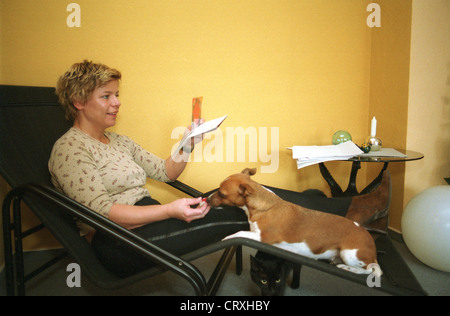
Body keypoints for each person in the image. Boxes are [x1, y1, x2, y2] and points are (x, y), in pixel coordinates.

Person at [49, 60, 390, 277]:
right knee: (237, 213)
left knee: (252, 193)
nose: (117, 102)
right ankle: (349, 213)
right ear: (79, 102)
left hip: (152, 219)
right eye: (106, 96)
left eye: (117, 94)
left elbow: (166, 172)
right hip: (120, 242)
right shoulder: (70, 149)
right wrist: (170, 209)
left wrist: (188, 141)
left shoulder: (118, 141)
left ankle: (342, 214)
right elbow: (103, 213)